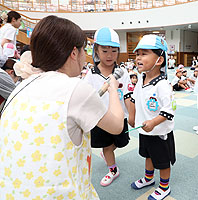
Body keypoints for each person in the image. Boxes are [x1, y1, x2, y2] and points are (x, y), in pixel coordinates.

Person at [0, 15, 124, 199]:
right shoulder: (75, 88)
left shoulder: (20, 88)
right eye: (84, 50)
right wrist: (113, 88)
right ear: (74, 53)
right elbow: (116, 125)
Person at [128, 34, 176, 200]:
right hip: (144, 130)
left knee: (162, 161)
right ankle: (149, 178)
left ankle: (164, 186)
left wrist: (154, 122)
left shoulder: (162, 85)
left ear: (159, 60)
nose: (139, 58)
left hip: (159, 133)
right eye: (137, 54)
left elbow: (169, 110)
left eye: (144, 53)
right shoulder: (141, 79)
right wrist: (132, 116)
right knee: (147, 155)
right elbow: (134, 98)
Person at [83, 27, 131, 187]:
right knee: (106, 147)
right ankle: (112, 170)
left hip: (120, 118)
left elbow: (128, 96)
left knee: (121, 142)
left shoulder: (123, 72)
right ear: (96, 50)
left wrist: (132, 114)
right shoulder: (91, 75)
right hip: (101, 120)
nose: (109, 55)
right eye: (104, 51)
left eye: (114, 51)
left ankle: (108, 152)